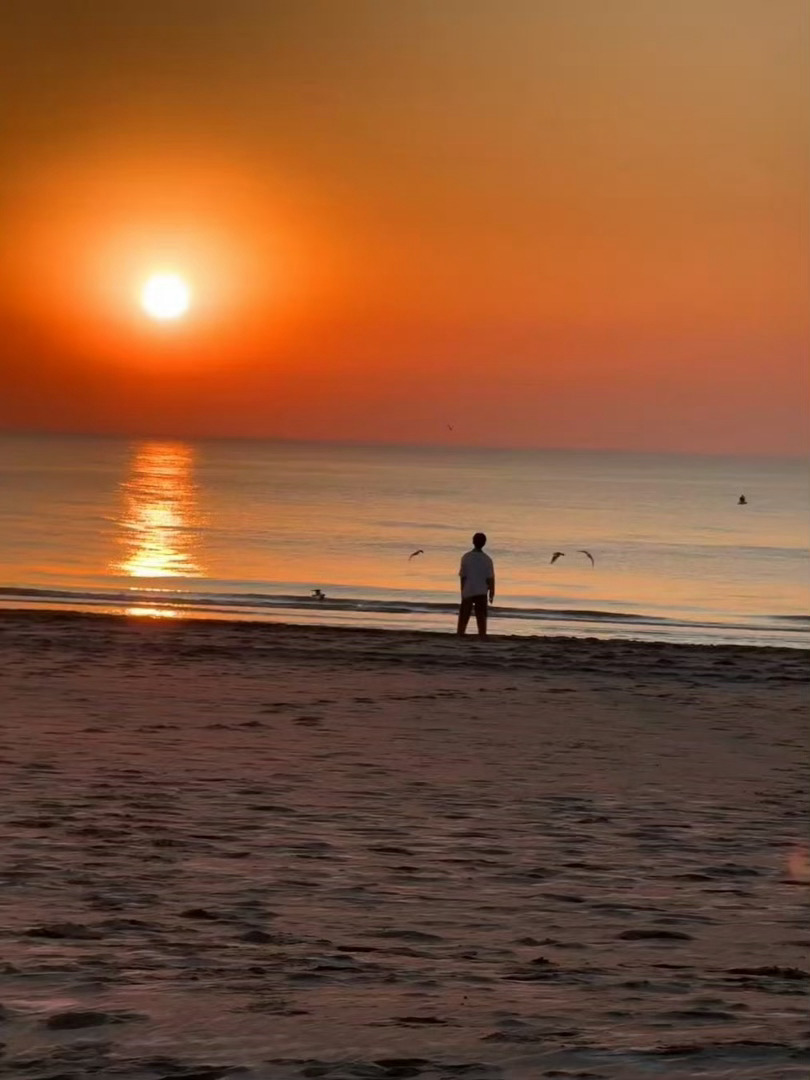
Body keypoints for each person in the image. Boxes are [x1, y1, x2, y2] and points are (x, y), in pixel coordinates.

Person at [457, 532, 495, 638]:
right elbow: (490, 578)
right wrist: (492, 592)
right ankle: (482, 635)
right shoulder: (487, 559)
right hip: (481, 591)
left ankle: (460, 633)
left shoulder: (466, 557)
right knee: (481, 617)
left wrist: (462, 591)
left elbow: (463, 576)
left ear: (473, 541)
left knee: (464, 616)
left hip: (468, 589)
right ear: (484, 543)